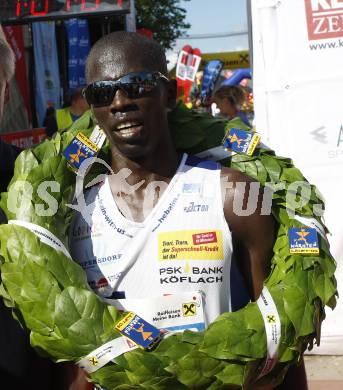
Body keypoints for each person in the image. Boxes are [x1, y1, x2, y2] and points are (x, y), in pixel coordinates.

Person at [69, 31, 281, 389]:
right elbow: (76, 365)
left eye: (137, 85)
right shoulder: (75, 215)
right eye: (102, 93)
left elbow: (279, 341)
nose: (120, 102)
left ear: (170, 93)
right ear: (92, 107)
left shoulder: (233, 195)